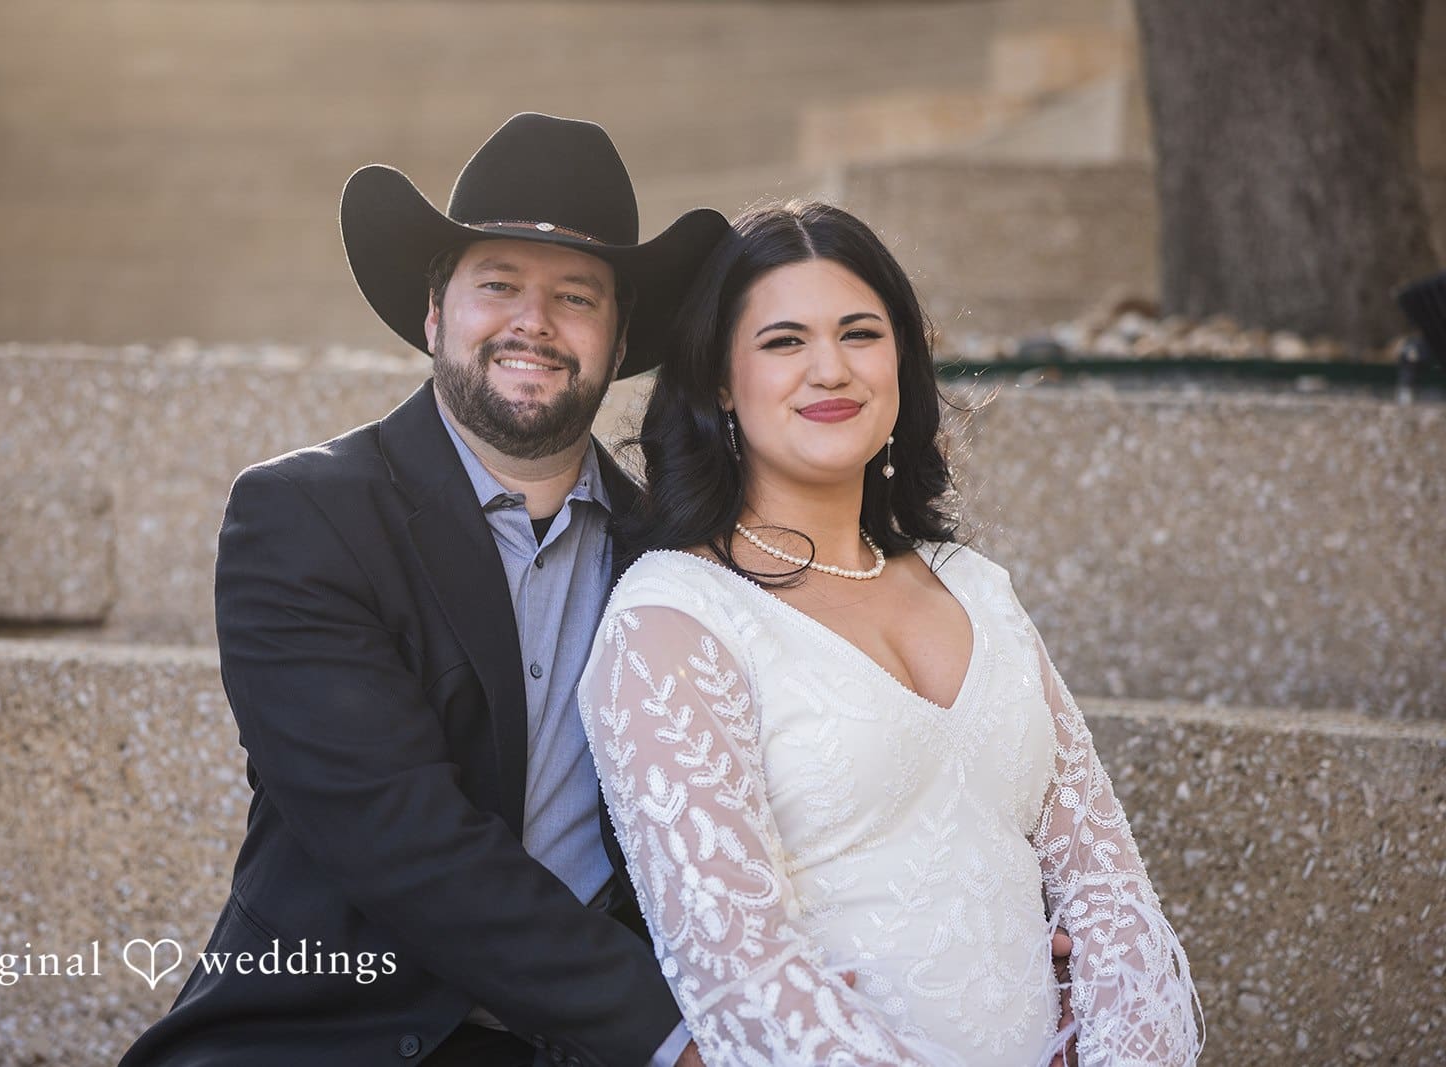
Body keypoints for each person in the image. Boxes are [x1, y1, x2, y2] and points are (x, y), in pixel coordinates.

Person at [119, 113, 729, 1067]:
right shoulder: (302, 517)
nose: (535, 321)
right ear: (437, 313)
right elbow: (403, 837)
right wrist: (679, 1037)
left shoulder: (677, 558)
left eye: (576, 296)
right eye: (499, 285)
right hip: (329, 1034)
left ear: (617, 343)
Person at [578, 201, 1203, 1067]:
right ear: (722, 380)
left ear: (901, 358)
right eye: (784, 341)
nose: (829, 369)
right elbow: (741, 969)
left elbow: (1109, 892)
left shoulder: (976, 589)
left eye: (860, 333)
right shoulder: (672, 620)